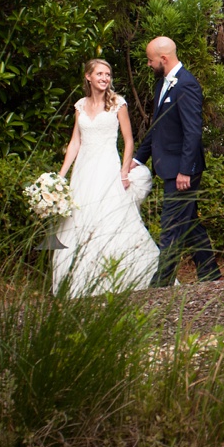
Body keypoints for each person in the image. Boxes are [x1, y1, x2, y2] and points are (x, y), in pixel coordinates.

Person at [51, 59, 158, 295]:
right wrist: (60, 176)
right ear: (88, 77)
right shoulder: (80, 105)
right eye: (99, 73)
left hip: (108, 168)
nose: (104, 78)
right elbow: (75, 143)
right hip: (83, 171)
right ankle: (81, 282)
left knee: (111, 219)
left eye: (108, 74)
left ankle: (122, 276)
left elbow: (129, 140)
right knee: (79, 220)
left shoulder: (117, 104)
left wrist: (123, 170)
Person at [129, 36, 220, 284]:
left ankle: (161, 283)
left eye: (150, 60)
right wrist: (137, 160)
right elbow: (157, 128)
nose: (149, 65)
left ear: (164, 59)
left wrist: (185, 171)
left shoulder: (187, 85)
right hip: (169, 168)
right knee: (189, 221)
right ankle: (210, 273)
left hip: (182, 171)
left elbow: (193, 131)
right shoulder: (162, 85)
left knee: (170, 225)